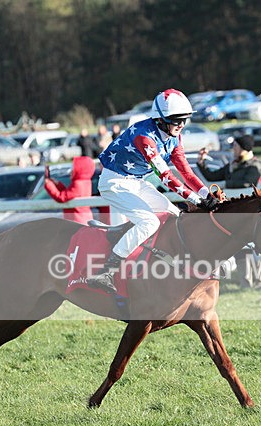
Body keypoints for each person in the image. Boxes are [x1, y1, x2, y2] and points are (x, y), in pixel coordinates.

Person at [86, 88, 218, 293]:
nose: (181, 125)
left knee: (175, 213)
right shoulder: (145, 137)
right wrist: (196, 199)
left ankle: (176, 264)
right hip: (114, 182)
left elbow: (186, 172)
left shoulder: (175, 136)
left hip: (136, 182)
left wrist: (206, 195)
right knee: (150, 222)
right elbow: (165, 177)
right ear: (161, 119)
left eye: (184, 120)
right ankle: (107, 271)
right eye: (176, 120)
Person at [197, 134, 261, 288]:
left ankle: (260, 281)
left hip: (251, 212)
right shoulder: (232, 165)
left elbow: (248, 183)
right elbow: (212, 176)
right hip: (236, 212)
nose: (233, 149)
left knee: (258, 246)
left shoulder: (255, 165)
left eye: (236, 146)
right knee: (239, 245)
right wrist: (202, 162)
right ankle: (246, 281)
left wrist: (227, 183)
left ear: (244, 149)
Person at [43, 156, 95, 224]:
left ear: (80, 169)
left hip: (77, 221)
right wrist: (57, 184)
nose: (71, 171)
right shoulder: (85, 181)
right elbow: (68, 194)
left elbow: (61, 197)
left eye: (74, 168)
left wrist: (48, 184)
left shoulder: (78, 183)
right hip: (83, 219)